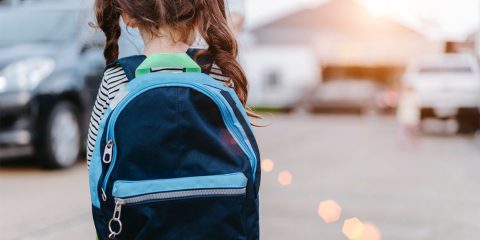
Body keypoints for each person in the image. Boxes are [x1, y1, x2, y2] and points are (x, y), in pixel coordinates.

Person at [86, 0, 258, 167]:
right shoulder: (216, 73)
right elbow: (241, 151)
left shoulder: (117, 78)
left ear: (127, 17)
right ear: (200, 15)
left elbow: (94, 160)